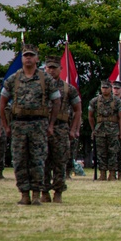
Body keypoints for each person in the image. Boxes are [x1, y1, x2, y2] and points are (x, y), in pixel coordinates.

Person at [0, 45, 61, 205]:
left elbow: (56, 101)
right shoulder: (13, 79)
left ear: (36, 59)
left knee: (38, 160)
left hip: (39, 124)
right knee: (20, 160)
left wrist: (51, 124)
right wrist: (6, 125)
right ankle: (24, 194)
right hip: (18, 124)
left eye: (31, 55)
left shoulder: (45, 79)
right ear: (22, 58)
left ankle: (36, 194)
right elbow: (2, 101)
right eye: (25, 55)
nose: (28, 58)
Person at [43, 56, 81, 202]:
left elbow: (78, 110)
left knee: (60, 161)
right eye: (49, 68)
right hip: (43, 127)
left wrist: (73, 129)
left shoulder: (68, 88)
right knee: (43, 161)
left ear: (60, 69)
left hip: (61, 128)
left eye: (54, 68)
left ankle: (58, 191)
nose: (51, 71)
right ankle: (44, 191)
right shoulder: (40, 87)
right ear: (45, 69)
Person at [88, 80, 121, 181]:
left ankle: (112, 174)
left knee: (113, 152)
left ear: (110, 88)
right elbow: (90, 116)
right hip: (100, 130)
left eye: (106, 88)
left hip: (113, 130)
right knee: (101, 153)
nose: (104, 90)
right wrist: (93, 129)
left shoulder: (117, 101)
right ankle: (102, 173)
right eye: (103, 88)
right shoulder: (95, 101)